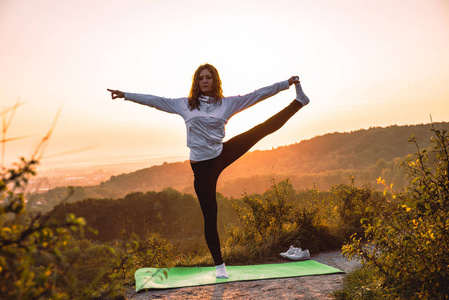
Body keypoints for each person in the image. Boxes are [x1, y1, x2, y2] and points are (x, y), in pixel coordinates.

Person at [107, 63, 310, 278]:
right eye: (201, 78)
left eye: (209, 78)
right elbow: (156, 101)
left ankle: (299, 102)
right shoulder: (184, 105)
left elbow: (257, 95)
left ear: (215, 81)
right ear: (196, 82)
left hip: (220, 154)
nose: (205, 81)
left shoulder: (227, 104)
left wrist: (286, 84)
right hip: (201, 168)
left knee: (260, 131)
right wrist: (125, 95)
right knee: (210, 215)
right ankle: (219, 267)